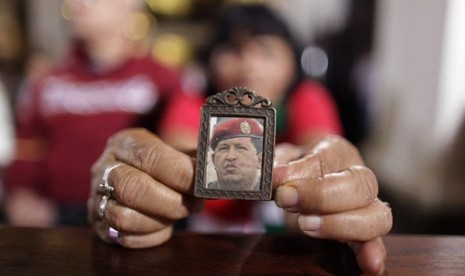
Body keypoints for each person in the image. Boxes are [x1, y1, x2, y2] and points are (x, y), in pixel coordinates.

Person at [159, 4, 344, 233]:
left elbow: (322, 151)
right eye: (234, 49)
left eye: (266, 52)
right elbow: (177, 156)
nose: (250, 64)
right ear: (210, 59)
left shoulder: (308, 98)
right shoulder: (193, 100)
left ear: (293, 63)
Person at [4, 0, 183, 226]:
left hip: (131, 219)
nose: (76, 5)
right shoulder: (49, 81)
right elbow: (25, 145)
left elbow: (177, 153)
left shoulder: (162, 79)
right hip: (55, 220)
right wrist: (19, 192)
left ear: (127, 7)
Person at [208, 117, 263, 191]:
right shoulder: (205, 194)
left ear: (259, 160)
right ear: (214, 160)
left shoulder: (269, 194)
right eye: (223, 149)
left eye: (241, 148)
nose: (230, 156)